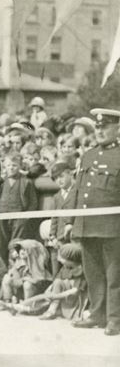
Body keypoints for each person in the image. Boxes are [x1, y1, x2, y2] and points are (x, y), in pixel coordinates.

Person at [71, 108, 120, 336]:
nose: (100, 131)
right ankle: (97, 314)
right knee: (93, 274)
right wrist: (72, 220)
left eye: (105, 127)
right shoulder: (89, 155)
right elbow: (79, 189)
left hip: (112, 227)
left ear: (117, 129)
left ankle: (115, 320)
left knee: (114, 276)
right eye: (98, 127)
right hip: (87, 225)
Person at [0, 152, 38, 262]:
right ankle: (3, 268)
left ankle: (16, 267)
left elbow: (33, 202)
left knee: (16, 244)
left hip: (19, 216)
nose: (11, 168)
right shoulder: (0, 182)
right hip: (2, 216)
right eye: (9, 165)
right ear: (5, 166)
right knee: (1, 244)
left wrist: (26, 217)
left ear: (19, 167)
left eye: (14, 165)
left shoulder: (26, 181)